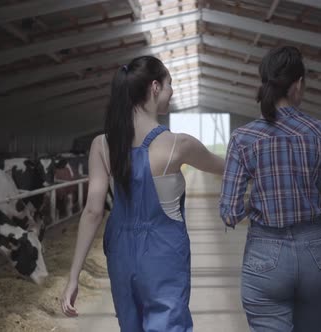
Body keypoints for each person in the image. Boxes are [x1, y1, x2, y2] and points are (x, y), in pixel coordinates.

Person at [60, 56, 225, 331]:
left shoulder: (102, 144)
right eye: (169, 84)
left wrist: (73, 276)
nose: (172, 92)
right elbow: (228, 167)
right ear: (155, 87)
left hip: (120, 252)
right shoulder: (177, 144)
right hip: (163, 250)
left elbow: (93, 211)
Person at [219, 46, 321, 332]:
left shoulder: (243, 138)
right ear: (298, 84)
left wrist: (254, 203)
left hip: (265, 255)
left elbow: (230, 213)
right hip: (317, 253)